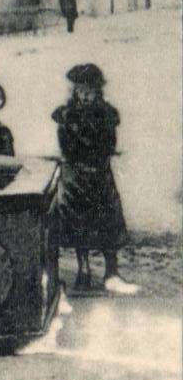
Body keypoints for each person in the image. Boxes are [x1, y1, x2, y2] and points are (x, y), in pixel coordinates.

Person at [52, 63, 137, 295]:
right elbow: (65, 147)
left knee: (108, 220)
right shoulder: (66, 116)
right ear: (75, 92)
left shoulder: (107, 115)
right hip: (77, 177)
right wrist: (77, 154)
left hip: (100, 176)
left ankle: (111, 270)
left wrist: (96, 153)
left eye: (90, 91)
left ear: (98, 91)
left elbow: (110, 144)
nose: (86, 96)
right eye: (81, 91)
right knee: (79, 222)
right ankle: (84, 269)